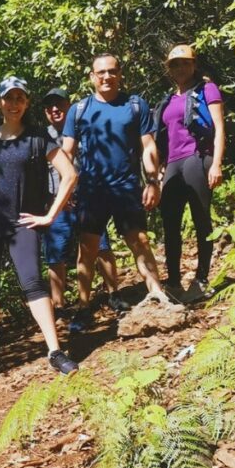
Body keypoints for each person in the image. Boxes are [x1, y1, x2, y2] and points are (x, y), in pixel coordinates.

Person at [0, 77, 80, 381]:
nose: (14, 104)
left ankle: (55, 351)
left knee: (32, 282)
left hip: (22, 222)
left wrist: (49, 216)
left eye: (20, 98)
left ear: (26, 103)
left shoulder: (38, 138)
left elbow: (69, 175)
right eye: (8, 98)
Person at [61, 53, 169, 332]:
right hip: (91, 191)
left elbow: (148, 146)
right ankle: (83, 309)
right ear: (91, 77)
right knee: (87, 251)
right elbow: (67, 152)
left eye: (112, 71)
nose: (106, 76)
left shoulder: (135, 106)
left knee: (140, 242)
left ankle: (157, 294)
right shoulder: (79, 109)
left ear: (120, 74)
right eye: (101, 72)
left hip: (126, 188)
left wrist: (153, 181)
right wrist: (65, 188)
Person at [40, 88, 128, 316]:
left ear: (69, 105)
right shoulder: (41, 138)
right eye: (50, 107)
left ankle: (113, 294)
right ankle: (59, 307)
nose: (55, 110)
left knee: (101, 247)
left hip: (88, 197)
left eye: (59, 104)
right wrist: (49, 200)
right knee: (56, 255)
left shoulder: (83, 128)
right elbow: (38, 174)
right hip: (56, 202)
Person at [155, 44, 226, 302]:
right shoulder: (168, 100)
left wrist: (216, 163)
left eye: (185, 63)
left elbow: (219, 128)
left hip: (198, 158)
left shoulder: (207, 89)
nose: (181, 68)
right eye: (175, 64)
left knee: (201, 220)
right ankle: (173, 282)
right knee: (170, 223)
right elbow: (163, 138)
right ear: (169, 69)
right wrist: (159, 169)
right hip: (173, 163)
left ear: (194, 65)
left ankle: (201, 279)